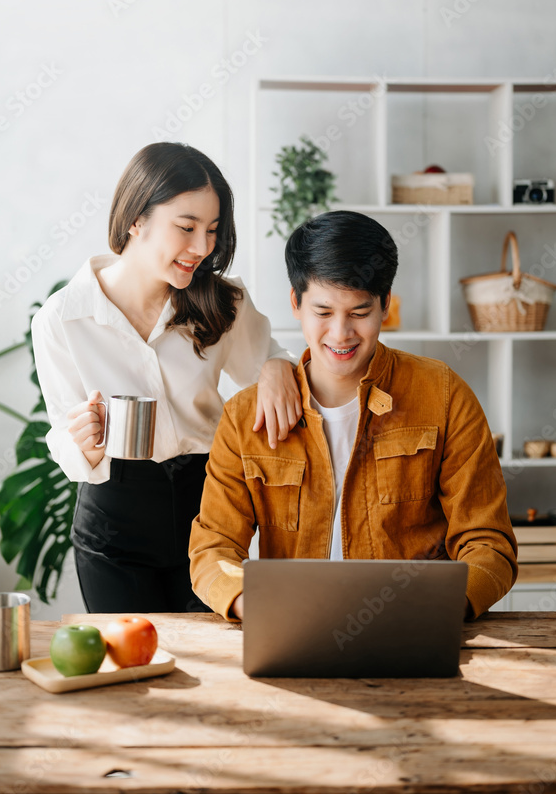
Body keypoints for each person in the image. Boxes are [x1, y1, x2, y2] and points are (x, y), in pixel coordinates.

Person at [189, 210, 518, 622]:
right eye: (323, 312)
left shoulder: (444, 395)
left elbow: (489, 542)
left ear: (385, 304)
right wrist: (251, 603)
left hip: (416, 628)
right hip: (293, 628)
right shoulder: (243, 416)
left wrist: (439, 609)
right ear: (296, 303)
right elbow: (213, 547)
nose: (341, 334)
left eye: (359, 313)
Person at [31, 142, 301, 614]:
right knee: (132, 672)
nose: (202, 248)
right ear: (137, 219)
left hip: (208, 514)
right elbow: (64, 437)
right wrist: (85, 443)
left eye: (213, 231)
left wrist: (278, 364)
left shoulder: (222, 304)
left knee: (216, 672)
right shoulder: (62, 319)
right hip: (114, 520)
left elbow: (268, 358)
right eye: (186, 227)